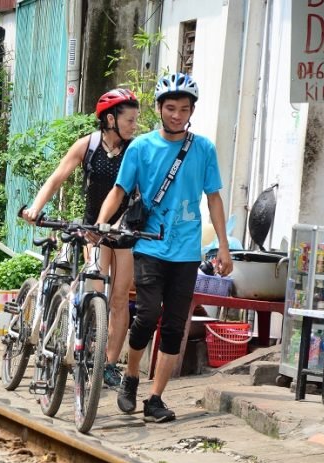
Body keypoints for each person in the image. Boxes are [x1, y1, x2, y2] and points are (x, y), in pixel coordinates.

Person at [95, 72, 233, 423]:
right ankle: (131, 375)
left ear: (191, 111)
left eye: (184, 109)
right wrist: (101, 223)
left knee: (173, 327)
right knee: (146, 315)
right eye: (170, 107)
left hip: (186, 252)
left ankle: (155, 398)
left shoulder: (203, 149)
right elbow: (120, 190)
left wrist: (223, 246)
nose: (176, 115)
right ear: (158, 108)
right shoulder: (141, 148)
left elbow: (213, 198)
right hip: (150, 246)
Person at [22, 89, 140, 387]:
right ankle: (84, 344)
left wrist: (126, 223)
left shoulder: (136, 148)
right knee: (95, 291)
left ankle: (109, 363)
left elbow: (143, 192)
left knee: (119, 299)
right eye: (129, 120)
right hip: (93, 229)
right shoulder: (87, 146)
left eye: (136, 120)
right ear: (110, 119)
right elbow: (57, 177)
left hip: (124, 228)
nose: (134, 125)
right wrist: (36, 207)